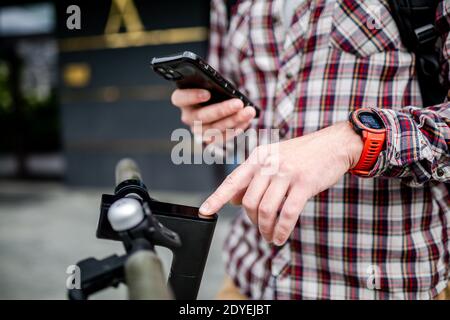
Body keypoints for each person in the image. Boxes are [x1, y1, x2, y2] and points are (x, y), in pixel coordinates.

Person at [171, 0, 450, 299]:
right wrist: (212, 123)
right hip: (247, 280)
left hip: (382, 287)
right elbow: (239, 127)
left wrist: (351, 142)